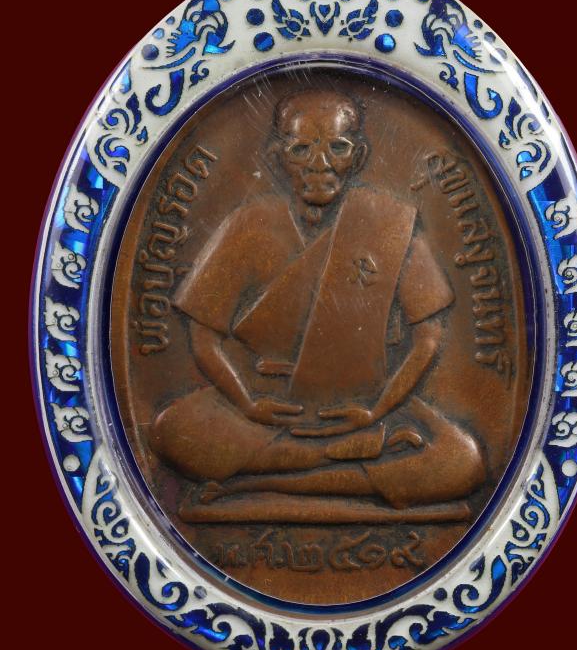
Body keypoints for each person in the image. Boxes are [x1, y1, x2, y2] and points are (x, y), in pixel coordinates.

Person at [150, 86, 484, 519]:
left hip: (365, 407)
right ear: (277, 158)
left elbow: (428, 339)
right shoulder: (249, 224)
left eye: (337, 148)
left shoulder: (389, 225)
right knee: (173, 433)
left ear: (358, 157)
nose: (320, 164)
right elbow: (203, 337)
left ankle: (259, 483)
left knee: (463, 460)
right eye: (301, 149)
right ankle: (348, 467)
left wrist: (376, 410)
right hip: (268, 410)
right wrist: (248, 404)